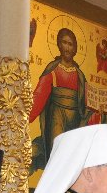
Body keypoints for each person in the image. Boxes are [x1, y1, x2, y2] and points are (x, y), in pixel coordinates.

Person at [29, 27, 101, 173]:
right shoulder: (53, 70)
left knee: (72, 158)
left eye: (70, 44)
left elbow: (87, 102)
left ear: (75, 49)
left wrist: (98, 109)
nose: (67, 47)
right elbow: (39, 96)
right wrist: (23, 118)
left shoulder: (79, 75)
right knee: (58, 155)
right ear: (59, 45)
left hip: (74, 120)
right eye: (64, 43)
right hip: (57, 117)